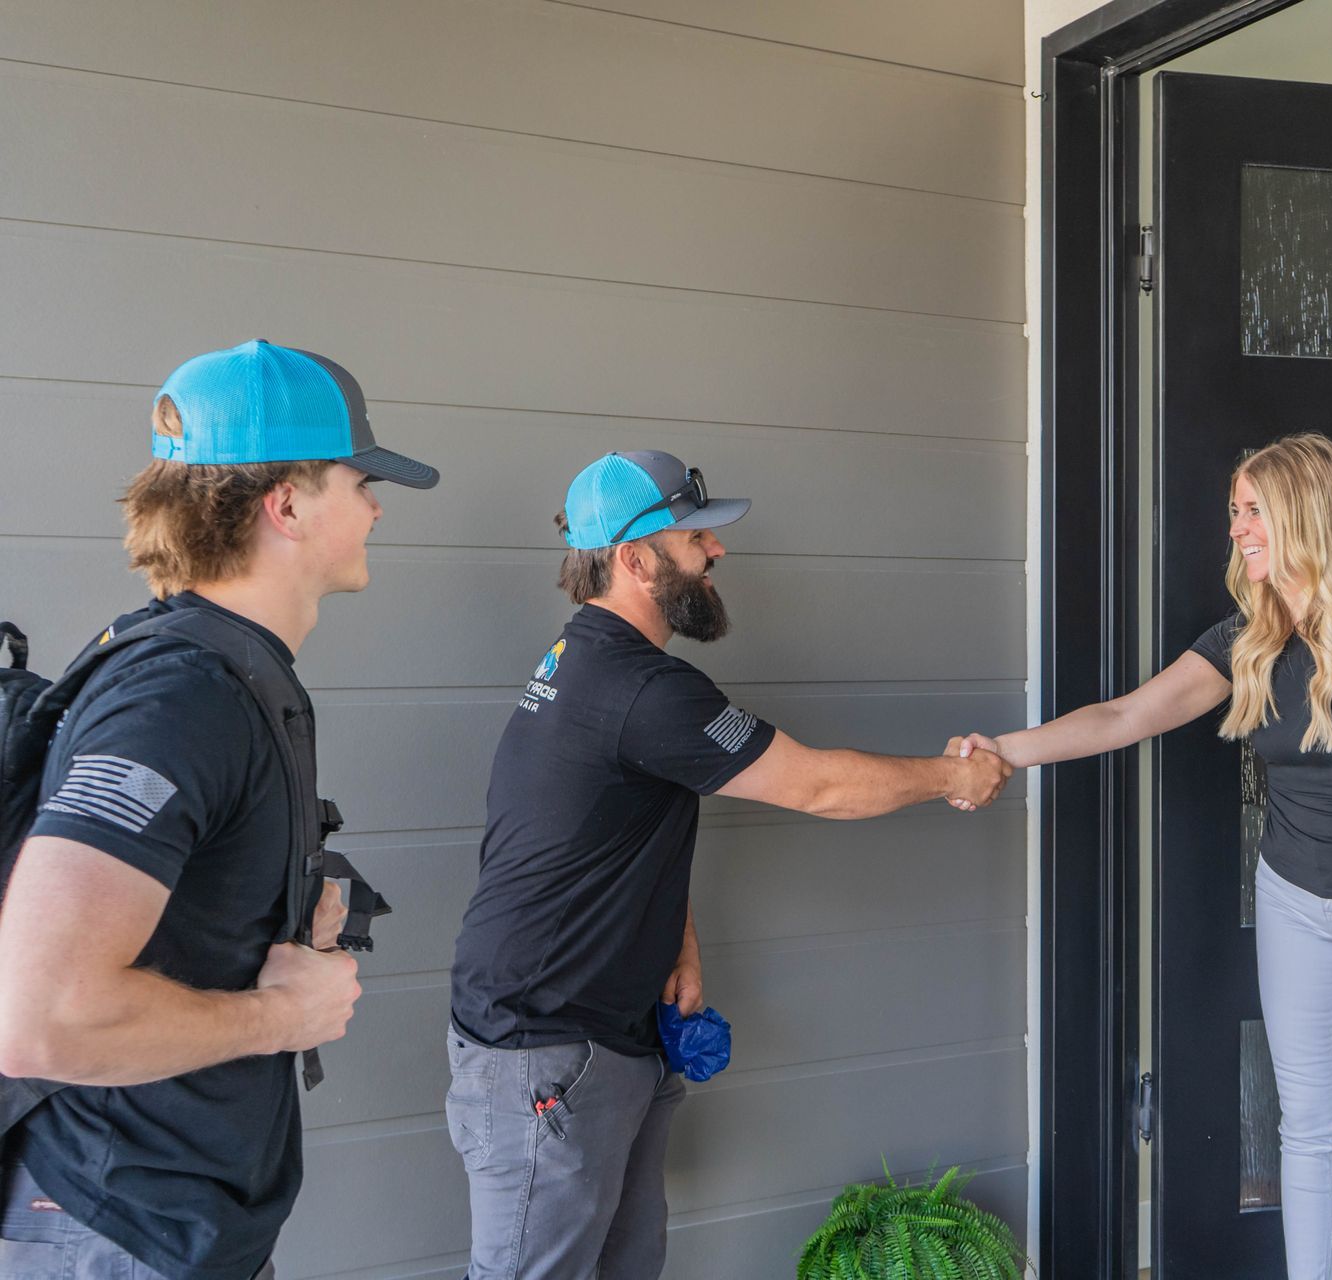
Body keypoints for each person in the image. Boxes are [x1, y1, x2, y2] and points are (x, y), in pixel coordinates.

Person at [446, 450, 1013, 1280]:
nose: (716, 553)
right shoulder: (640, 689)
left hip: (600, 1040)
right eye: (694, 538)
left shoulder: (580, 664)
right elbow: (817, 784)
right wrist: (954, 776)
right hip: (545, 1052)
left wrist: (676, 932)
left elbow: (594, 826)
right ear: (634, 559)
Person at [949, 433, 1332, 1280]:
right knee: (1305, 1126)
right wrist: (1005, 750)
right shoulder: (1248, 639)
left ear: (1304, 512)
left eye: (1254, 511)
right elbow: (1124, 717)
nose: (1239, 529)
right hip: (1293, 901)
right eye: (1234, 512)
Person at [0, 340, 440, 1279]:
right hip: (113, 1228)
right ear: (285, 504)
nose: (373, 506)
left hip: (178, 1223)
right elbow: (41, 1017)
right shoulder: (183, 694)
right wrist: (282, 1017)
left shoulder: (232, 672)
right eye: (359, 480)